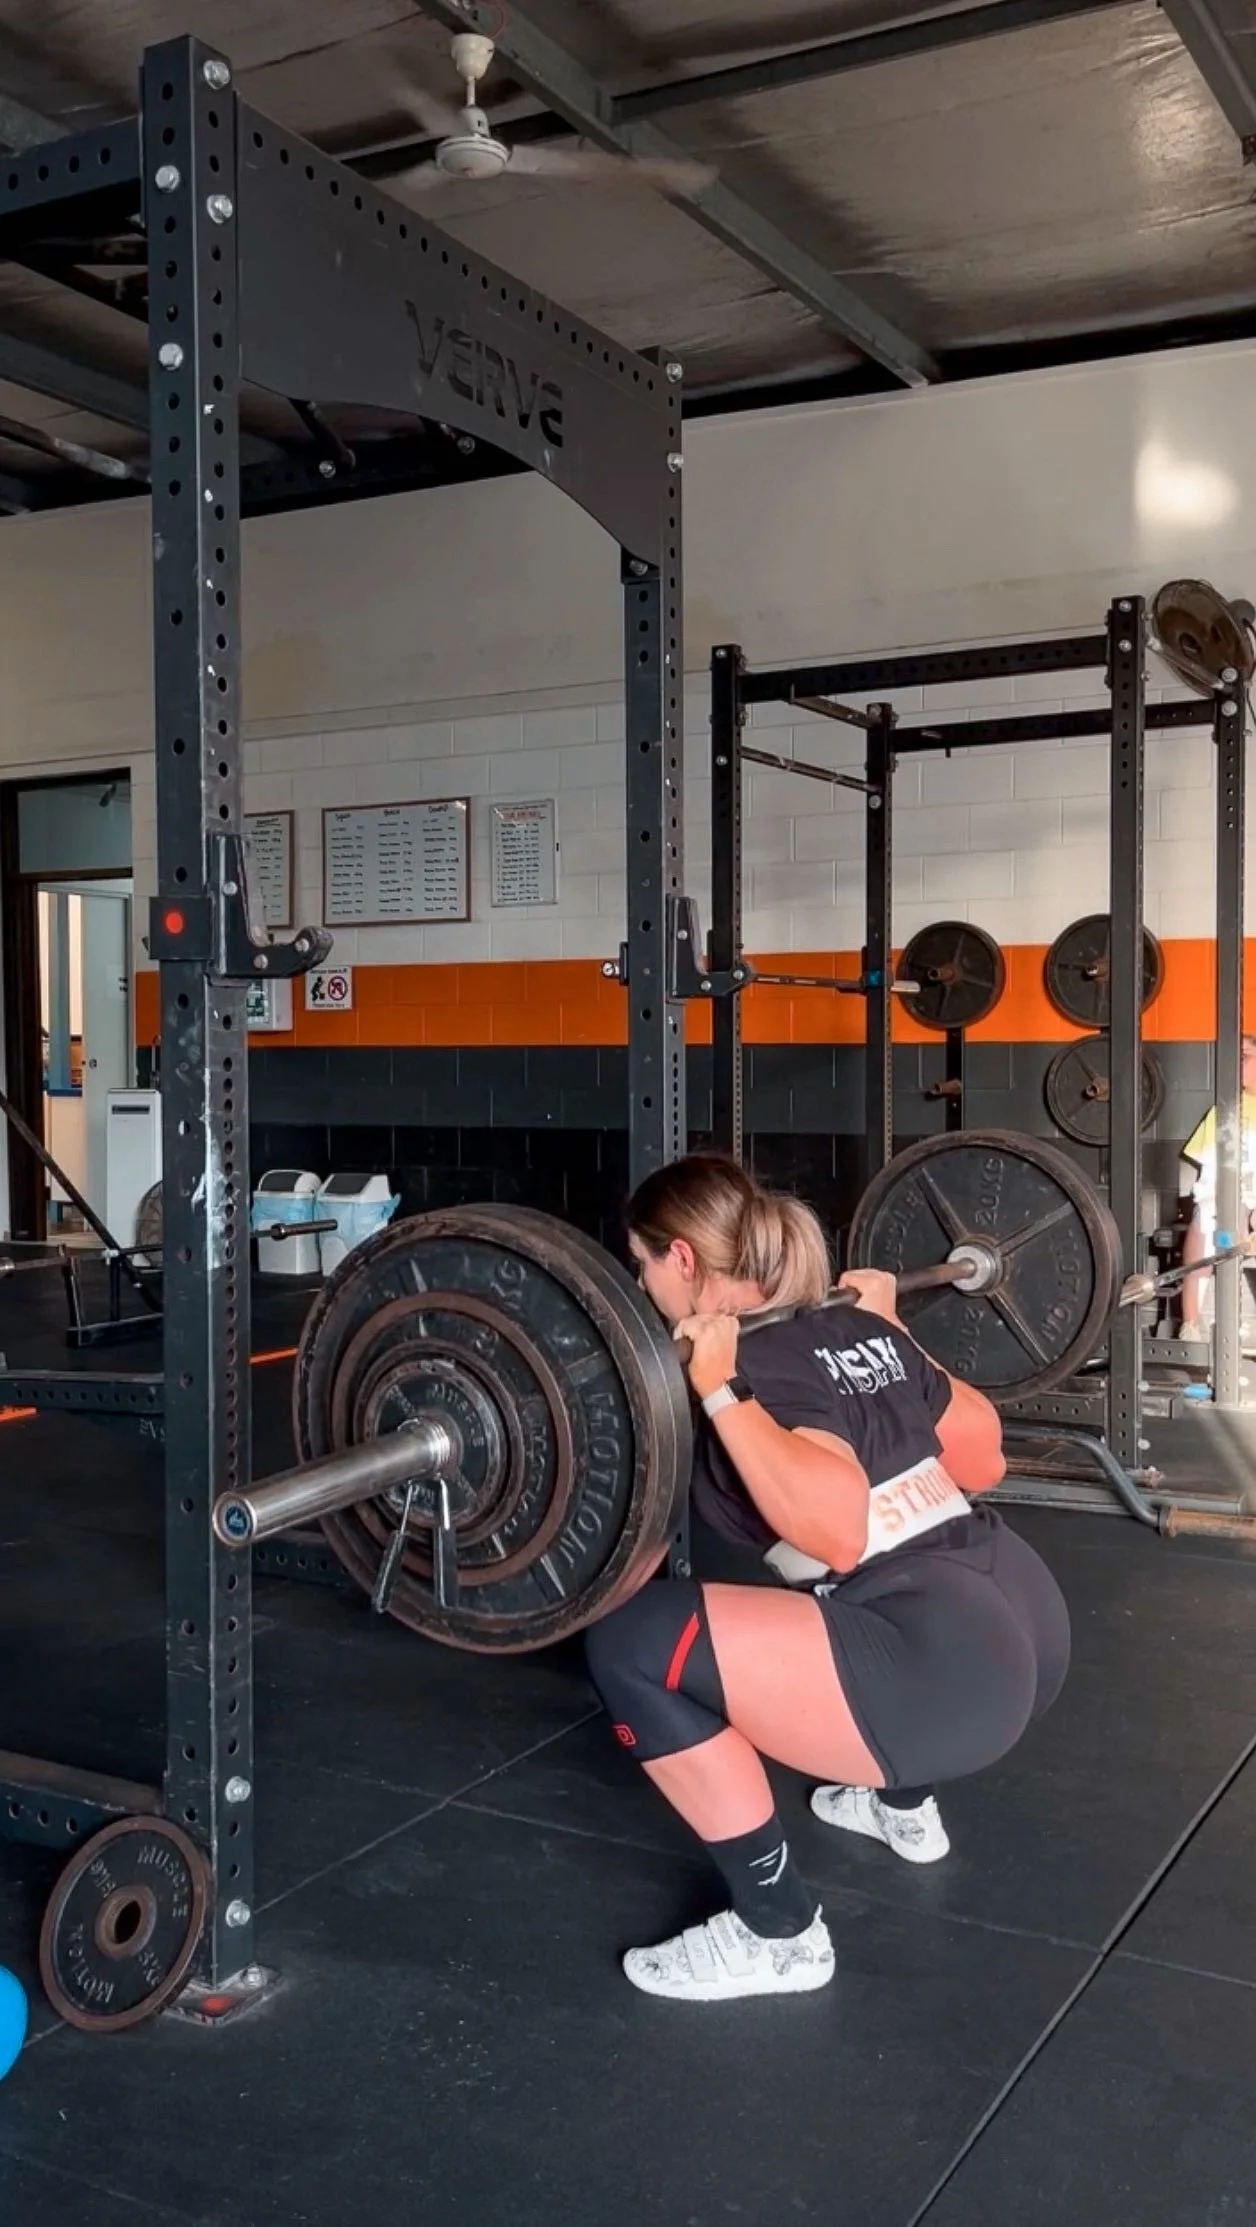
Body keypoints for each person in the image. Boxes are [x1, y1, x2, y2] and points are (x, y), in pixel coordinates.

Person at [583, 1154, 1071, 2005]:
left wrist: (720, 1389)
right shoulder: (854, 1328)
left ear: (683, 1259)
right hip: (1022, 1616)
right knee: (857, 1593)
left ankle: (779, 1933)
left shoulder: (754, 1363)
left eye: (643, 1262)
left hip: (940, 1676)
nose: (642, 1283)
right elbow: (984, 1459)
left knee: (633, 1643)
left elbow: (836, 1528)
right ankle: (901, 1807)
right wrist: (894, 1330)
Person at [1179, 1036, 1256, 1338]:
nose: (1237, 1065)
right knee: (1204, 1235)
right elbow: (1207, 1179)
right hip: (1225, 1205)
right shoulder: (1224, 1110)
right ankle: (1191, 1329)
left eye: (1245, 1057)